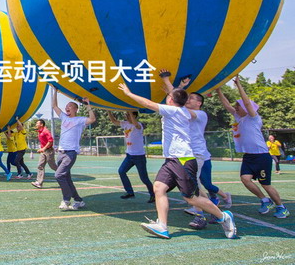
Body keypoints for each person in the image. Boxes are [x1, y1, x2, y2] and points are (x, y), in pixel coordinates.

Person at [119, 81, 237, 239]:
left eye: (168, 96)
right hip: (171, 160)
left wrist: (128, 93)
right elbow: (178, 97)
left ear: (170, 101)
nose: (167, 98)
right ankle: (162, 226)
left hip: (183, 159)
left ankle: (224, 217)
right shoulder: (181, 110)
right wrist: (172, 87)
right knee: (159, 188)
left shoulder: (174, 111)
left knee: (191, 197)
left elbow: (148, 103)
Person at [159, 72, 232, 230]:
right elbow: (177, 100)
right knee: (195, 186)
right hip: (186, 155)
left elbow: (177, 101)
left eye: (191, 98)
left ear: (199, 103)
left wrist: (168, 82)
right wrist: (179, 87)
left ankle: (204, 215)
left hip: (196, 154)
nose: (188, 99)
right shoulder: (182, 111)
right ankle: (213, 212)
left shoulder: (200, 114)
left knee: (194, 188)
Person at [217, 76, 289, 218]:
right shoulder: (240, 118)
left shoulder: (253, 118)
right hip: (249, 156)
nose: (236, 107)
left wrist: (239, 85)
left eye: (238, 105)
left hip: (261, 156)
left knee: (266, 184)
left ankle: (281, 207)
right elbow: (227, 106)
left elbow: (247, 103)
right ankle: (264, 200)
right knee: (245, 179)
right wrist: (218, 90)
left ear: (245, 108)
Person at [51, 86, 96, 210]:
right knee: (67, 179)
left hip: (71, 153)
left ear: (76, 109)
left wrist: (88, 105)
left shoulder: (80, 120)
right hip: (61, 152)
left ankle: (66, 200)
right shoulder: (64, 117)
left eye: (69, 106)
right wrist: (55, 91)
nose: (67, 108)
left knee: (59, 175)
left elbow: (92, 119)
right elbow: (54, 106)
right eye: (66, 107)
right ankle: (79, 200)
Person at [108, 111, 155, 203]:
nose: (126, 116)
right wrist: (108, 111)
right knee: (121, 171)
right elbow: (114, 121)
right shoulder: (125, 124)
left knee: (144, 178)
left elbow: (135, 123)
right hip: (129, 155)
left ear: (134, 116)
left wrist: (130, 111)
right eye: (125, 115)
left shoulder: (139, 125)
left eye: (128, 114)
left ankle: (153, 195)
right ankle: (130, 192)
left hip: (139, 156)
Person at [31, 119, 57, 189]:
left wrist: (44, 148)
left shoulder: (46, 131)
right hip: (44, 151)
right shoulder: (39, 131)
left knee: (53, 166)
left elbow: (50, 141)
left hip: (49, 151)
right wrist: (41, 149)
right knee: (40, 165)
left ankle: (63, 173)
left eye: (37, 123)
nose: (36, 125)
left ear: (41, 124)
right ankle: (39, 183)